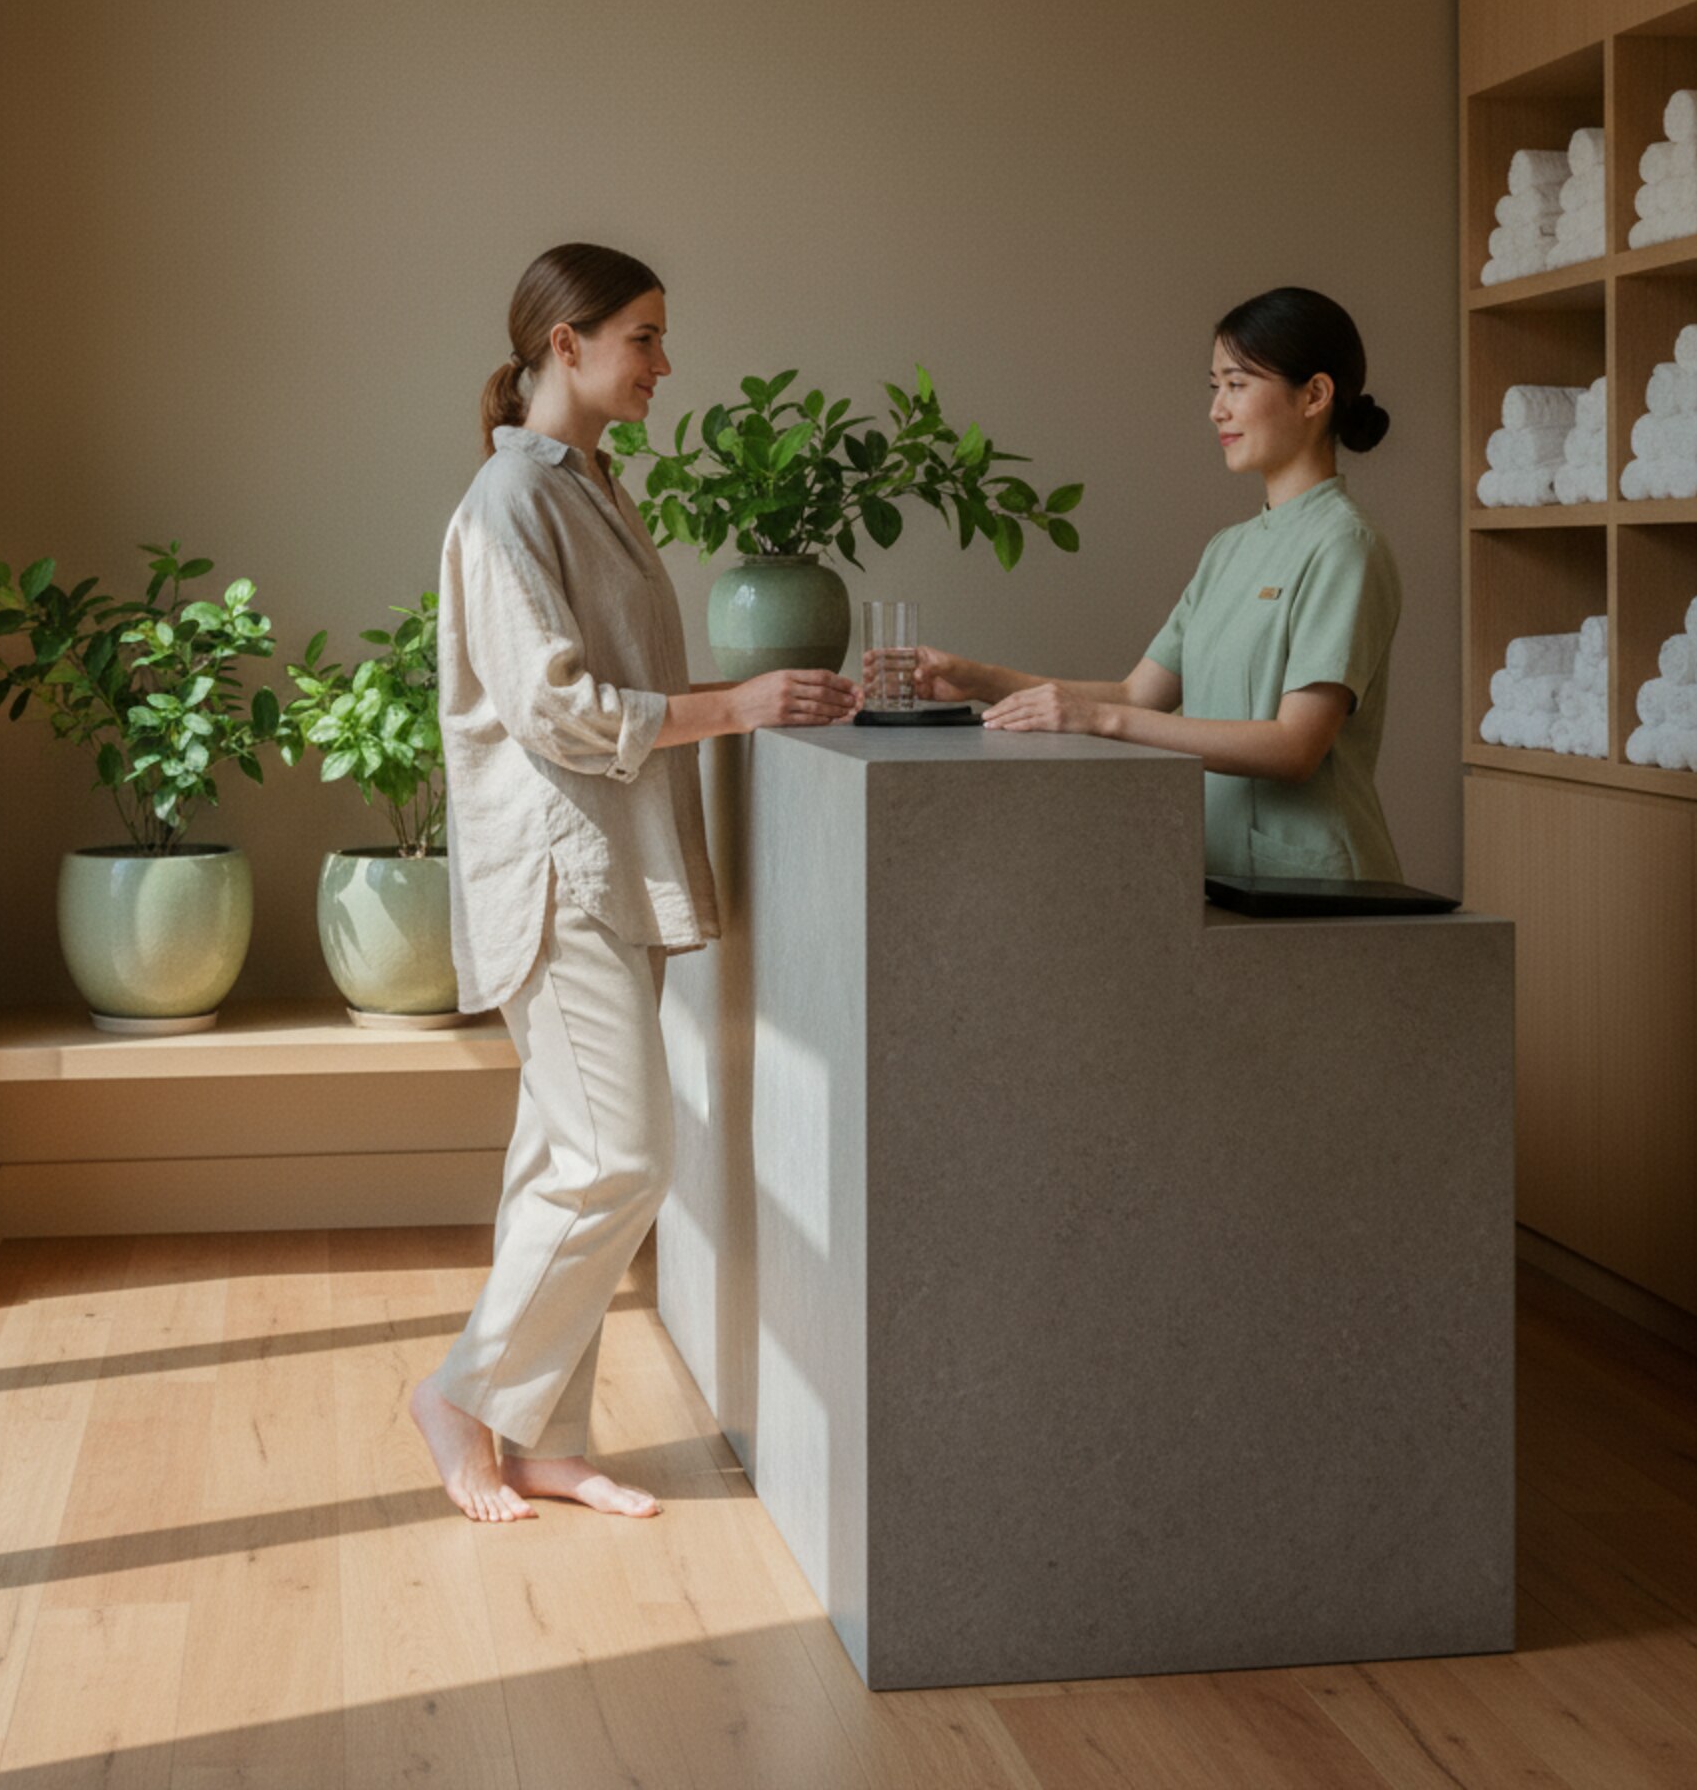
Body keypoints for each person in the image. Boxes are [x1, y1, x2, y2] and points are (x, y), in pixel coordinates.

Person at [411, 243, 859, 1523]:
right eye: (644, 338)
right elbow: (553, 710)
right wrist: (736, 703)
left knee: (559, 1153)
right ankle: (461, 1390)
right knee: (621, 1155)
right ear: (568, 343)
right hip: (558, 880)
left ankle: (540, 1435)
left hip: (606, 868)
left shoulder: (585, 485)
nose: (664, 364)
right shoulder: (508, 504)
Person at [909, 285, 1402, 882]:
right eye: (1214, 386)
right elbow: (1138, 695)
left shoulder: (1344, 546)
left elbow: (1296, 748)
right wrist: (978, 679)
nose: (1217, 409)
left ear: (1315, 395)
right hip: (1214, 871)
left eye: (1237, 384)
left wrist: (1097, 722)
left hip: (1312, 886)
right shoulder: (1229, 549)